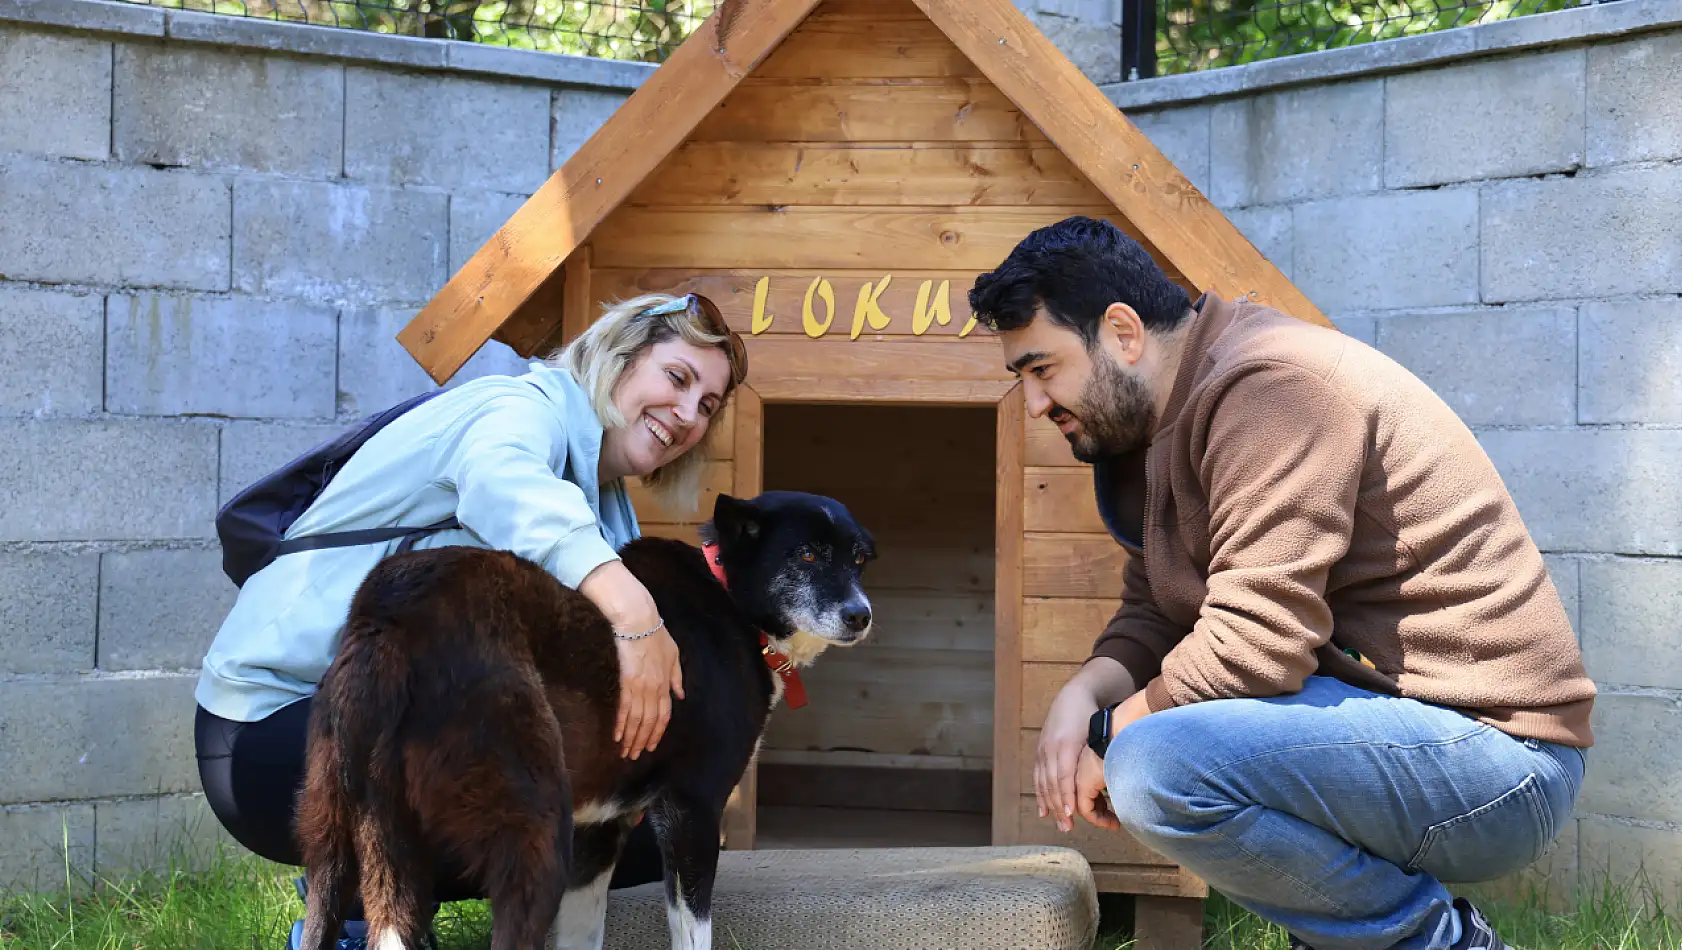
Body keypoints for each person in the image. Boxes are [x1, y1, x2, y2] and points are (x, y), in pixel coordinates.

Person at [968, 216, 1594, 950]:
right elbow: (1155, 611)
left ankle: (1439, 943)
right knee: (1159, 744)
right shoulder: (1162, 425)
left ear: (1123, 331)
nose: (1036, 404)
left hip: (1502, 758)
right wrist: (1082, 697)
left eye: (1043, 370)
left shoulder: (1273, 388)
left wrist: (1113, 734)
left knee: (1157, 764)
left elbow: (1258, 643)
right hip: (1403, 732)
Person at [191, 293, 747, 949]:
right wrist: (633, 610)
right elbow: (500, 479)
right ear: (619, 357)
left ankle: (372, 903)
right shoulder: (515, 411)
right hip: (281, 729)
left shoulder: (609, 508)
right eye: (677, 378)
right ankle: (356, 908)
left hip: (409, 729)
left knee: (639, 839)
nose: (686, 415)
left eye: (707, 406)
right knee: (556, 819)